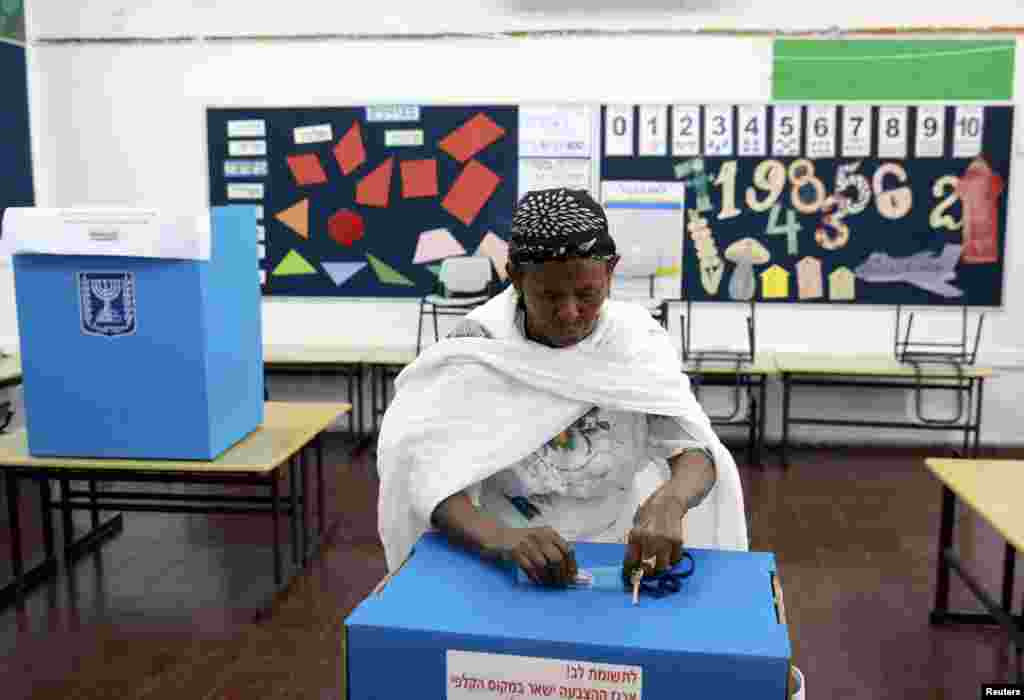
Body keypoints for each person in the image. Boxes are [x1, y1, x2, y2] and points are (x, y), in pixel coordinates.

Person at [377, 187, 746, 589]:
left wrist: (671, 500)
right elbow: (425, 474)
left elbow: (694, 449)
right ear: (515, 277)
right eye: (549, 296)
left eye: (588, 294)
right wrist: (501, 539)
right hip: (503, 559)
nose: (570, 313)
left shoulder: (635, 342)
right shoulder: (478, 347)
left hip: (616, 551)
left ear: (610, 271)